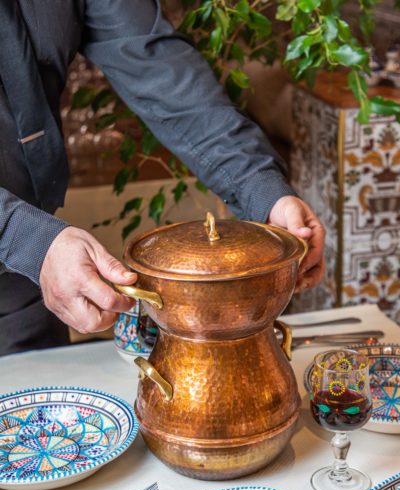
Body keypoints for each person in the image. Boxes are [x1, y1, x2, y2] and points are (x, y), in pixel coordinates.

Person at [0, 0, 325, 355]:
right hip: (33, 250)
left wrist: (262, 189)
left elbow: (160, 69)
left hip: (24, 289)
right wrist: (27, 239)